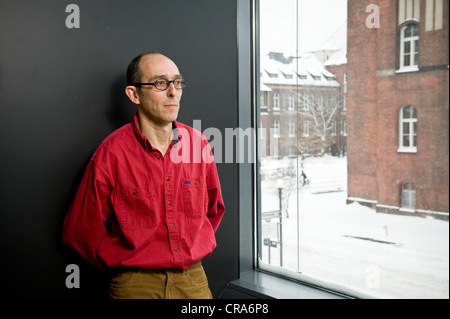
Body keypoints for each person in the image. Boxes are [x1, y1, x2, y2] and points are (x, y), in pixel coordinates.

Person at [62, 52, 225, 299]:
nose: (173, 92)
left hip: (194, 283)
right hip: (135, 286)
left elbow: (214, 210)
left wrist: (195, 247)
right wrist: (125, 266)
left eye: (177, 82)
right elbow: (80, 231)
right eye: (160, 83)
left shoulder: (198, 144)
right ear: (134, 94)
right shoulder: (111, 153)